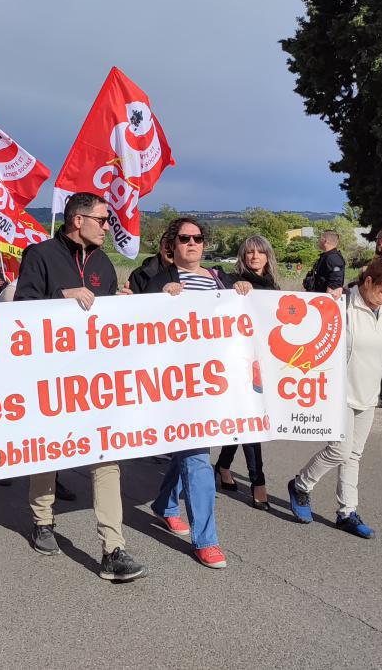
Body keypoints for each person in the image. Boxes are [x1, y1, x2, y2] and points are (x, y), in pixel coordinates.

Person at [14, 192, 146, 583]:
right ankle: (42, 519)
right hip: (49, 376)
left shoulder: (104, 263)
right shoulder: (39, 254)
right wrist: (61, 298)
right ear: (78, 220)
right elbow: (20, 308)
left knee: (108, 456)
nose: (108, 227)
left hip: (94, 378)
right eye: (103, 220)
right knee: (48, 451)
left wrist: (122, 304)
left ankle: (113, 548)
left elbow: (103, 321)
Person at [130, 216, 252, 569]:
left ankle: (165, 505)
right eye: (184, 239)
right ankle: (207, 541)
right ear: (172, 245)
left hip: (213, 384)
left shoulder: (220, 278)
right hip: (176, 387)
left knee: (190, 450)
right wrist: (158, 298)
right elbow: (134, 324)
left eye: (198, 238)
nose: (192, 243)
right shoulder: (157, 280)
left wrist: (244, 292)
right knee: (198, 458)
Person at [287, 258, 382, 538]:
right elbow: (306, 327)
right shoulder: (340, 305)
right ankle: (300, 486)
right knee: (340, 450)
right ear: (368, 282)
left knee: (354, 454)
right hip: (337, 392)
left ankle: (347, 512)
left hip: (368, 394)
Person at [214, 234, 279, 509]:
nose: (254, 257)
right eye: (249, 252)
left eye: (260, 252)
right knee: (252, 420)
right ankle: (258, 481)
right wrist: (235, 287)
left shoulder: (274, 287)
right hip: (240, 361)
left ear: (267, 256)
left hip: (264, 360)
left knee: (244, 418)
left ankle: (222, 466)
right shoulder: (234, 282)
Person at [304, 230, 346, 296]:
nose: (318, 241)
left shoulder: (333, 258)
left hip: (325, 300)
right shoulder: (327, 256)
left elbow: (336, 281)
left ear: (325, 241)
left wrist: (328, 298)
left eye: (320, 239)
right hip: (318, 296)